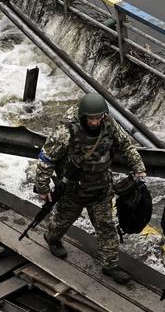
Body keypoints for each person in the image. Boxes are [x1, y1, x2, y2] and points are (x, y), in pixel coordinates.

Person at [34, 93, 146, 285]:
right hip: (73, 189)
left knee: (106, 226)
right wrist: (43, 187)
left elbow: (126, 146)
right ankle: (52, 238)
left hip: (100, 186)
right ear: (84, 116)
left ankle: (110, 264)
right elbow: (47, 159)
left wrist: (138, 167)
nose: (95, 122)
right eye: (92, 119)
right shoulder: (66, 130)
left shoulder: (108, 124)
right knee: (62, 221)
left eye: (98, 118)